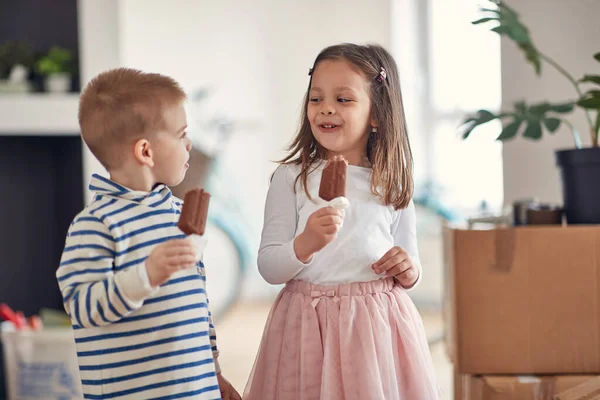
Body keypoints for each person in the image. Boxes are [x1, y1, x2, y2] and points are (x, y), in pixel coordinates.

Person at [244, 43, 440, 400]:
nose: (326, 108)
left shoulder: (392, 183)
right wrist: (305, 244)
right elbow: (269, 267)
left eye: (343, 99)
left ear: (377, 115)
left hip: (373, 326)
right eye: (316, 99)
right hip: (306, 325)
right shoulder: (291, 178)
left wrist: (407, 268)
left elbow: (411, 269)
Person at [56, 68, 240, 400]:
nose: (190, 143)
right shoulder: (95, 225)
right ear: (145, 152)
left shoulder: (177, 214)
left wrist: (214, 373)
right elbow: (83, 308)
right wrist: (146, 275)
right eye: (182, 134)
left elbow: (197, 307)